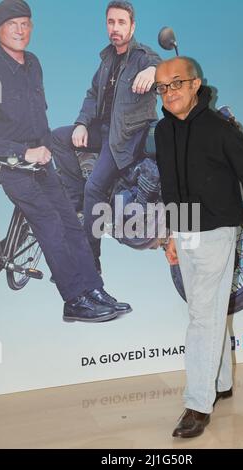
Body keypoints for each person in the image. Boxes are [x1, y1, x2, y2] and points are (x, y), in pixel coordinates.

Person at [154, 57, 243, 438]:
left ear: (195, 84)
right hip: (186, 231)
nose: (169, 93)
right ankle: (220, 383)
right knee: (206, 310)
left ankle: (197, 404)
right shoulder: (162, 131)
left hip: (220, 231)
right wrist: (172, 234)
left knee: (202, 317)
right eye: (163, 87)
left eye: (176, 83)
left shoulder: (221, 129)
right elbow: (170, 186)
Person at [0, 0, 126, 323]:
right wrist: (23, 153)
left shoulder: (33, 63)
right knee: (50, 225)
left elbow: (37, 112)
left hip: (41, 159)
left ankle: (94, 290)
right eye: (13, 24)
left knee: (72, 221)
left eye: (26, 24)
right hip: (10, 163)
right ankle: (73, 299)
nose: (20, 30)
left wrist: (44, 148)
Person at [52, 1, 161, 285]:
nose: (115, 28)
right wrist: (81, 123)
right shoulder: (106, 60)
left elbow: (165, 67)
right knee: (57, 138)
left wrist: (154, 73)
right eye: (111, 22)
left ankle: (91, 264)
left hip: (126, 137)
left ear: (132, 26)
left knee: (95, 187)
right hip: (103, 130)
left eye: (121, 23)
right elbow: (91, 95)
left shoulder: (142, 56)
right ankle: (77, 206)